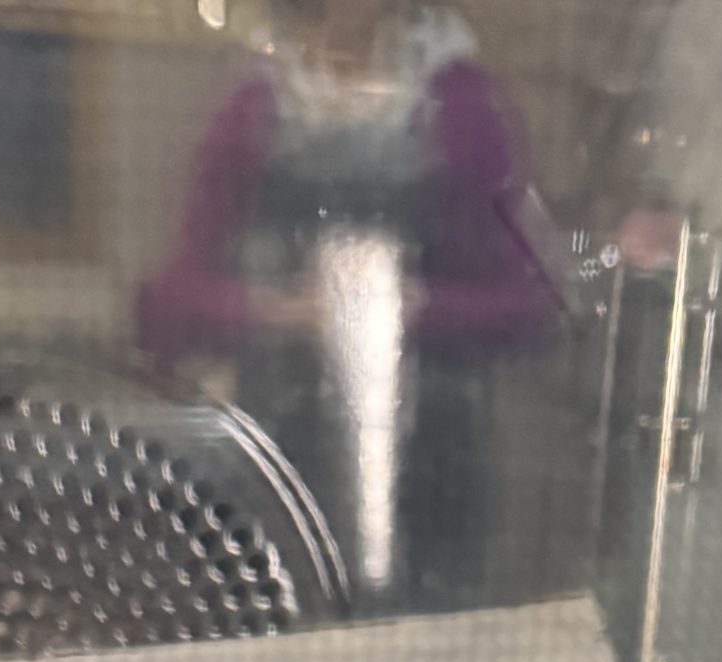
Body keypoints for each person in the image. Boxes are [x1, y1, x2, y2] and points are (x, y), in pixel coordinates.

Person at [140, 0, 557, 608]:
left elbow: (527, 304)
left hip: (430, 469)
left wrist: (409, 310)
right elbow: (173, 305)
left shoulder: (464, 103)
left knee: (415, 639)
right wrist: (281, 311)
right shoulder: (253, 103)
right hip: (280, 455)